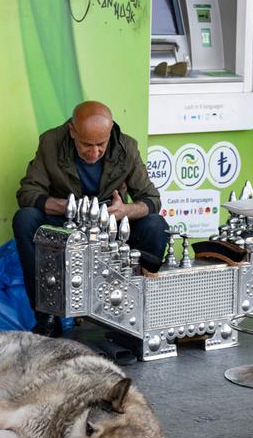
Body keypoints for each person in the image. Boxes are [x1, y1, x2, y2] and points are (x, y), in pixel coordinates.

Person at [13, 101, 170, 335]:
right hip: (67, 223)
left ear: (110, 135)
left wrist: (124, 210)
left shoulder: (127, 147)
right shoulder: (51, 143)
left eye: (101, 145)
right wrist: (62, 206)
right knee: (25, 219)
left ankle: (134, 315)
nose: (94, 152)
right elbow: (27, 193)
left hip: (110, 225)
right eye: (86, 145)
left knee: (156, 225)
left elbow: (151, 199)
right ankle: (46, 316)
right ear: (72, 131)